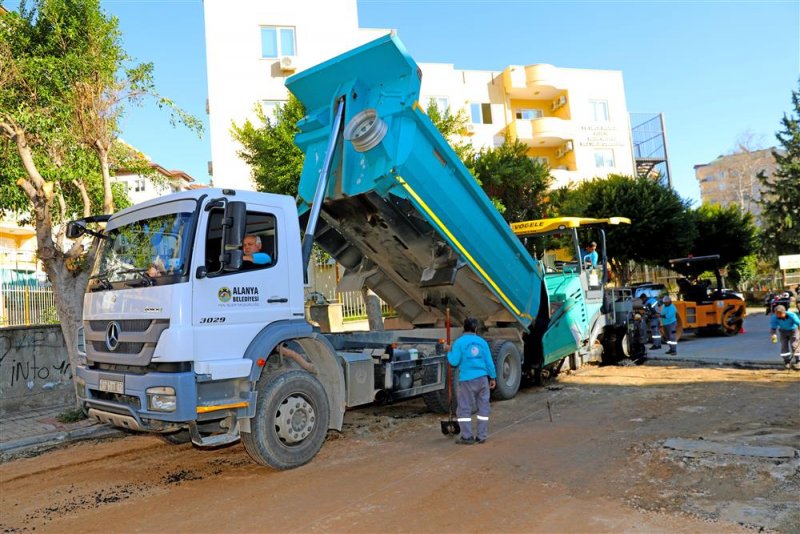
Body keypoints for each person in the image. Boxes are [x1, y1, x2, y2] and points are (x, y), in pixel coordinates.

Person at [446, 318, 496, 445]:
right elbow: (489, 361)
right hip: (483, 379)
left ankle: (467, 436)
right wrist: (493, 377)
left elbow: (454, 362)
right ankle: (481, 436)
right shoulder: (482, 342)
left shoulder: (459, 342)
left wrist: (448, 351)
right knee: (483, 408)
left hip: (467, 380)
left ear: (464, 328)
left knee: (464, 408)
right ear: (476, 329)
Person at [769, 305, 800, 370]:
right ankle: (787, 362)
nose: (778, 315)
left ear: (784, 312)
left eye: (780, 313)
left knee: (794, 345)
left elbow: (799, 323)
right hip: (783, 331)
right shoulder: (774, 317)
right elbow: (773, 328)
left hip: (793, 330)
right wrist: (773, 334)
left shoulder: (792, 315)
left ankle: (798, 361)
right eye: (777, 313)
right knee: (784, 345)